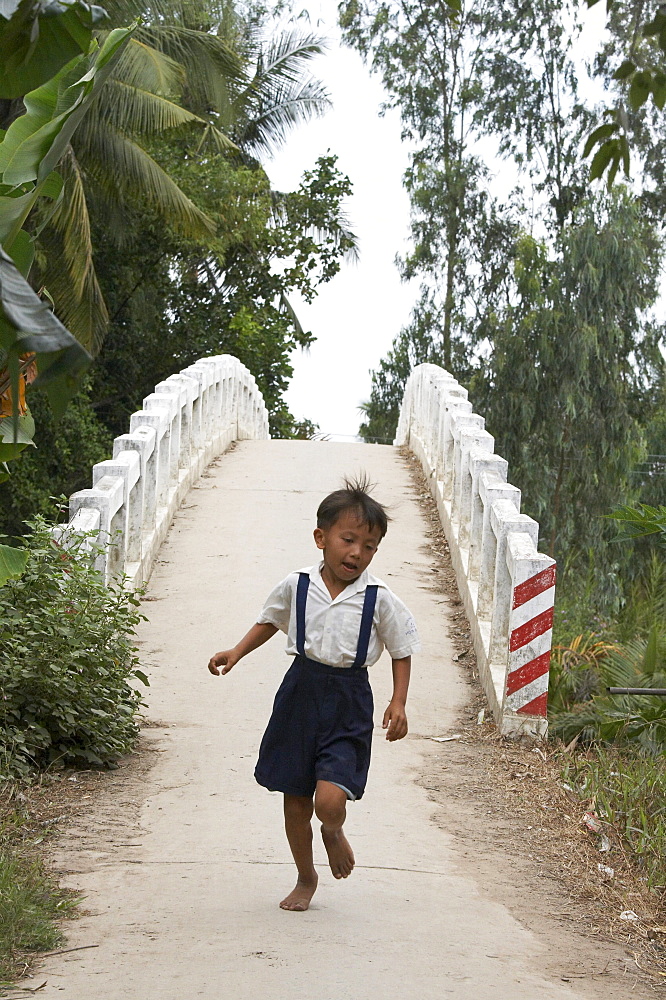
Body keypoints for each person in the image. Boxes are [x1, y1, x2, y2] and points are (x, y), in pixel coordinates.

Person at [207, 475, 420, 912]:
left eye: (370, 545)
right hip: (299, 693)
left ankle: (333, 828)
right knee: (295, 800)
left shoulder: (379, 598)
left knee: (328, 800)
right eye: (348, 540)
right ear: (321, 538)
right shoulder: (297, 585)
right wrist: (237, 651)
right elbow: (270, 620)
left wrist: (398, 701)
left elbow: (402, 649)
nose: (357, 553)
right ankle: (306, 876)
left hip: (349, 700)